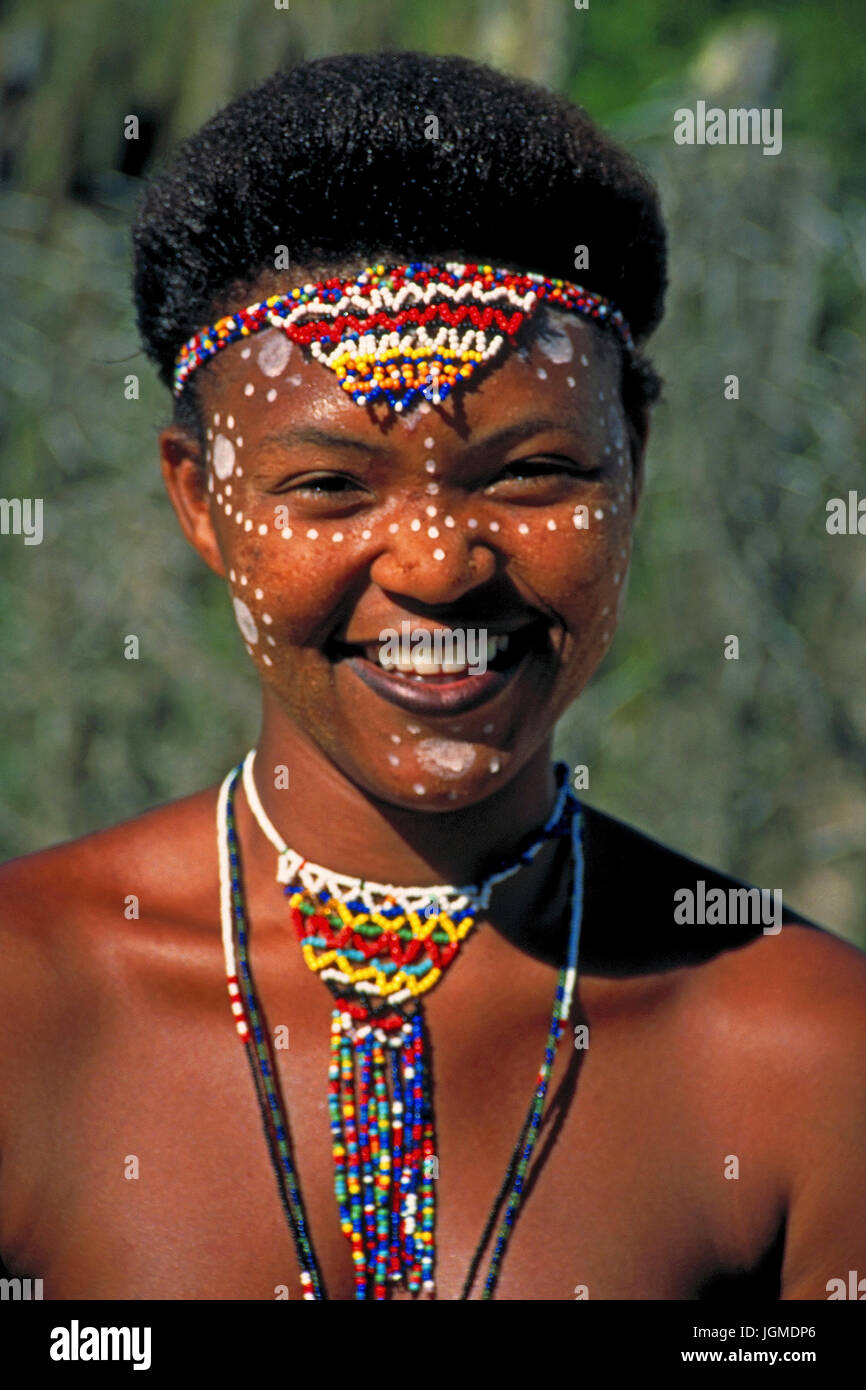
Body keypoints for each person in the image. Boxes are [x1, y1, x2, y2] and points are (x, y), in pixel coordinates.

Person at [0, 51, 864, 1303]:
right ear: (200, 498)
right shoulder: (28, 1004)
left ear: (633, 464)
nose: (437, 564)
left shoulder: (805, 1052)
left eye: (530, 473)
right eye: (328, 487)